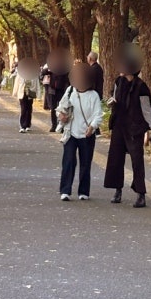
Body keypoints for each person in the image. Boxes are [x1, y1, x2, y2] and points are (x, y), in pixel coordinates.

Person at [103, 57, 151, 208]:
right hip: (119, 125)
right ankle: (117, 190)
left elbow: (147, 109)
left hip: (135, 127)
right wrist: (110, 103)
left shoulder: (141, 87)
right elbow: (113, 97)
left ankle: (141, 194)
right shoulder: (118, 82)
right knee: (115, 159)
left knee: (137, 160)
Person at [56, 62, 104, 201]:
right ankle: (65, 190)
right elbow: (60, 108)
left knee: (85, 163)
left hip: (87, 134)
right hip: (70, 132)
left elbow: (98, 114)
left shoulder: (93, 95)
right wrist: (61, 115)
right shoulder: (70, 91)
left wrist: (92, 126)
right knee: (69, 161)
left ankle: (84, 191)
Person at [12, 61, 41, 133]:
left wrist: (39, 95)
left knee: (29, 109)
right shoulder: (20, 74)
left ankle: (28, 125)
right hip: (22, 92)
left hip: (31, 92)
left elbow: (37, 84)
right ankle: (22, 126)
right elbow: (17, 83)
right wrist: (14, 93)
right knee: (23, 109)